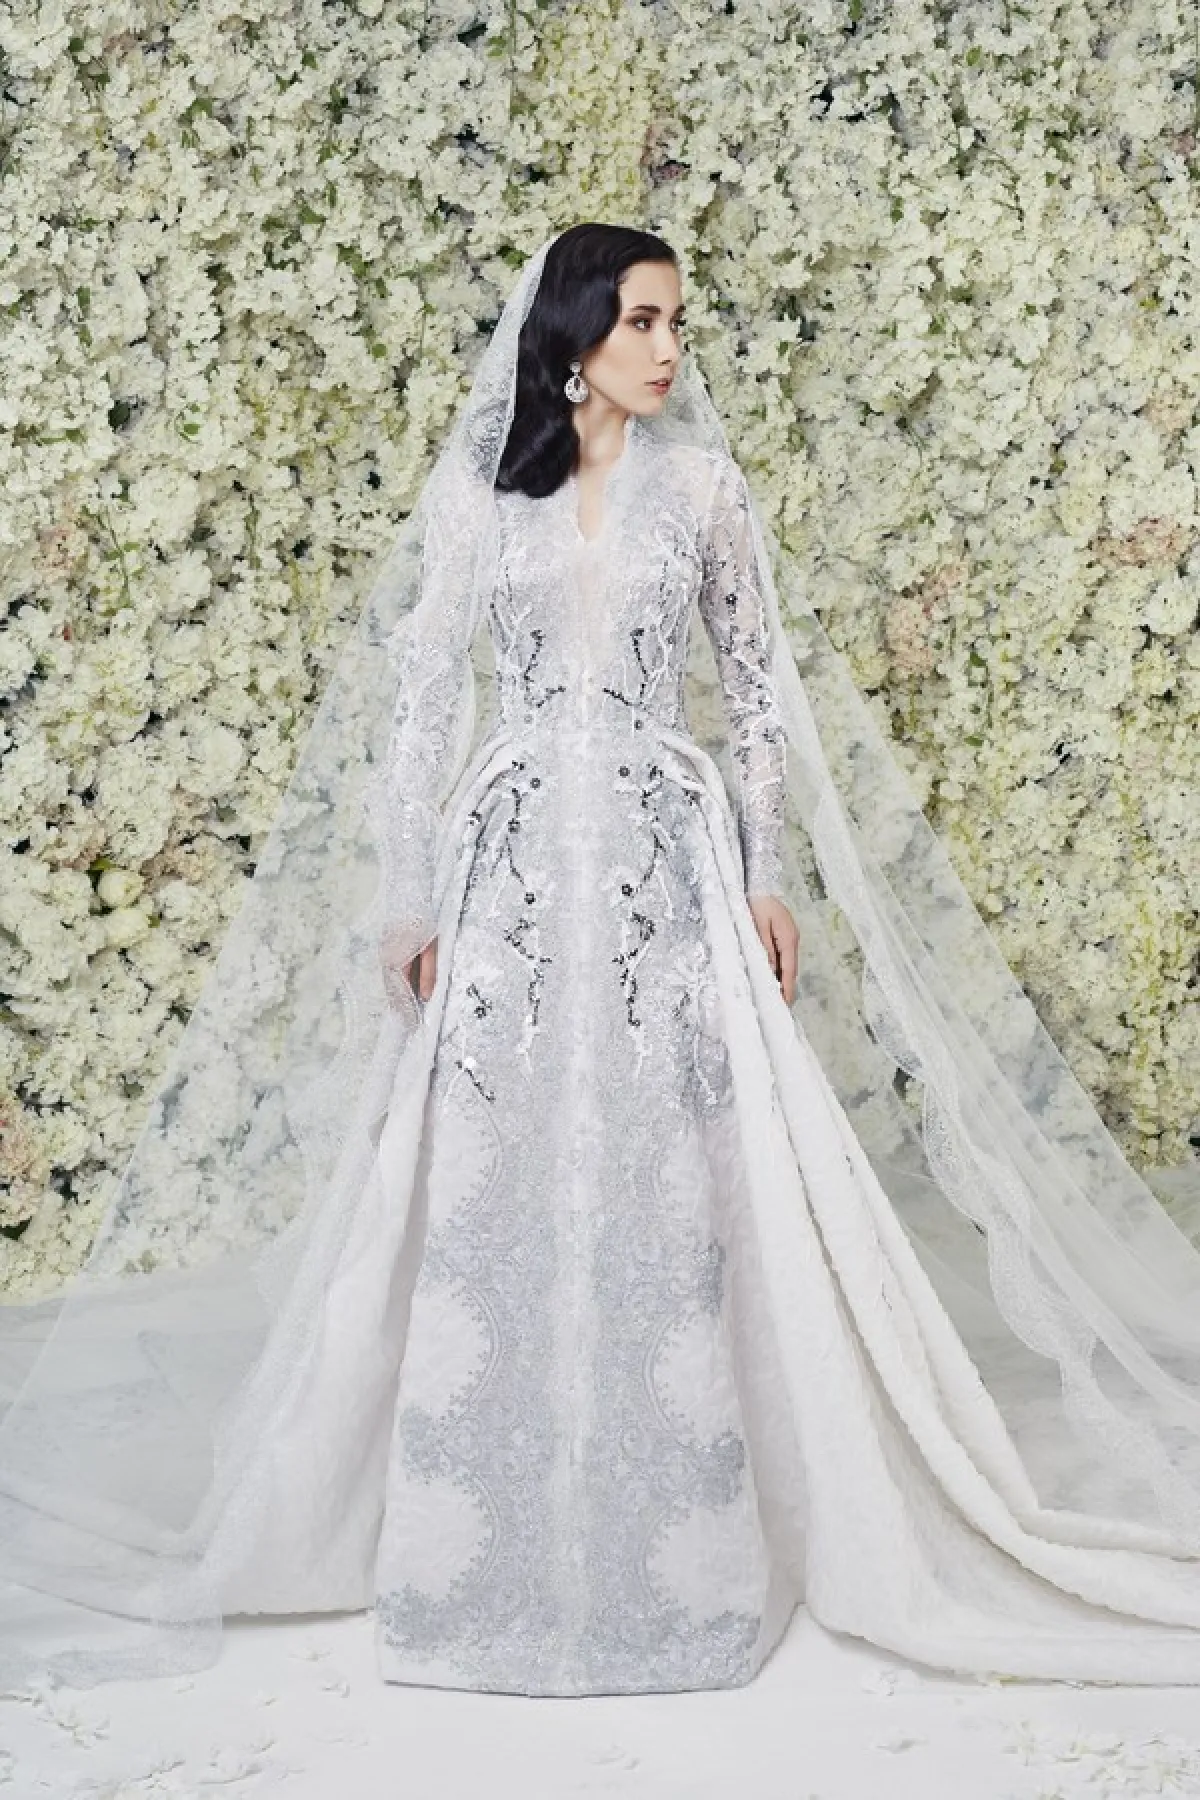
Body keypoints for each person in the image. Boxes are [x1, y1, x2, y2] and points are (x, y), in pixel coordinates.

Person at [3, 222, 1200, 1704]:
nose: (669, 349)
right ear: (574, 334)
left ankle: (676, 1545)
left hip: (660, 857)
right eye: (644, 321)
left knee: (669, 1166)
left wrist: (762, 876)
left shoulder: (703, 491)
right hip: (508, 862)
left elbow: (753, 697)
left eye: (678, 323)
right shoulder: (478, 500)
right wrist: (406, 901)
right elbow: (422, 705)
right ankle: (479, 1545)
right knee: (489, 1170)